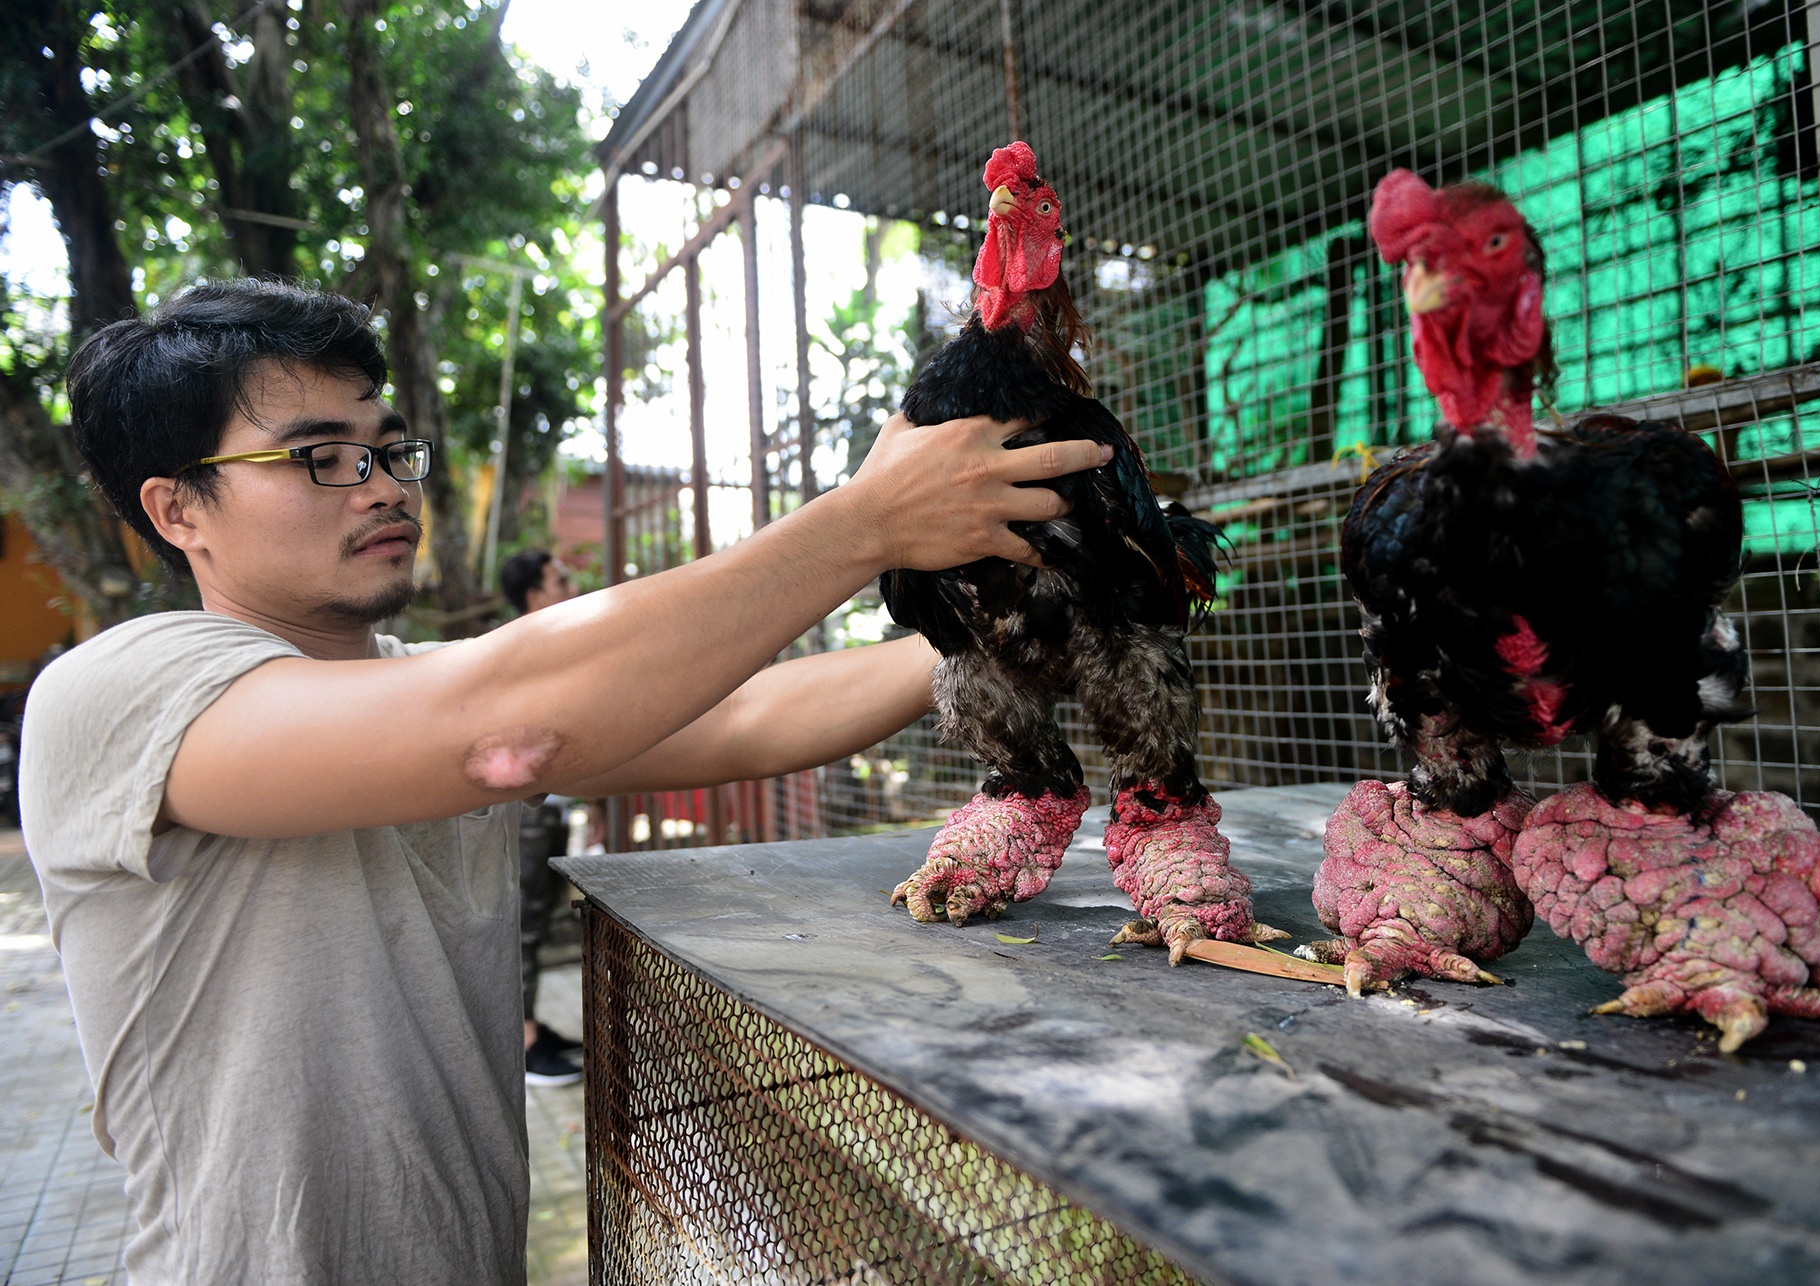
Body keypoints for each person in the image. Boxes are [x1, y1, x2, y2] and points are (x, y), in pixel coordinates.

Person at [18, 279, 1108, 1286]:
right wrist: (864, 520)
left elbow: (740, 713)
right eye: (319, 457)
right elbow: (503, 731)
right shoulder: (116, 692)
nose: (385, 485)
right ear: (178, 510)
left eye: (391, 450)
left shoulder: (415, 690)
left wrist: (1002, 636)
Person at [498, 547, 582, 1086]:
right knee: (524, 927)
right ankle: (524, 1043)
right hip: (527, 814)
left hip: (553, 808)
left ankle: (530, 1025)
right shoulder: (519, 651)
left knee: (540, 917)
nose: (572, 588)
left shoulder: (556, 647)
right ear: (536, 595)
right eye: (561, 580)